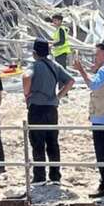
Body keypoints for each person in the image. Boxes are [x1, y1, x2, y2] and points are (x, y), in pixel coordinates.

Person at [74, 40, 104, 197]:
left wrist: (81, 70)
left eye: (97, 54)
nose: (95, 57)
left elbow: (93, 85)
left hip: (102, 117)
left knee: (103, 153)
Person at [22, 38, 74, 185]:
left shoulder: (35, 65)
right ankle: (55, 176)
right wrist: (58, 96)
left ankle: (39, 177)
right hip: (52, 108)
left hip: (37, 108)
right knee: (52, 142)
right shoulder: (55, 65)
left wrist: (27, 94)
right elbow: (70, 81)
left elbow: (26, 77)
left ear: (35, 53)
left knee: (37, 142)